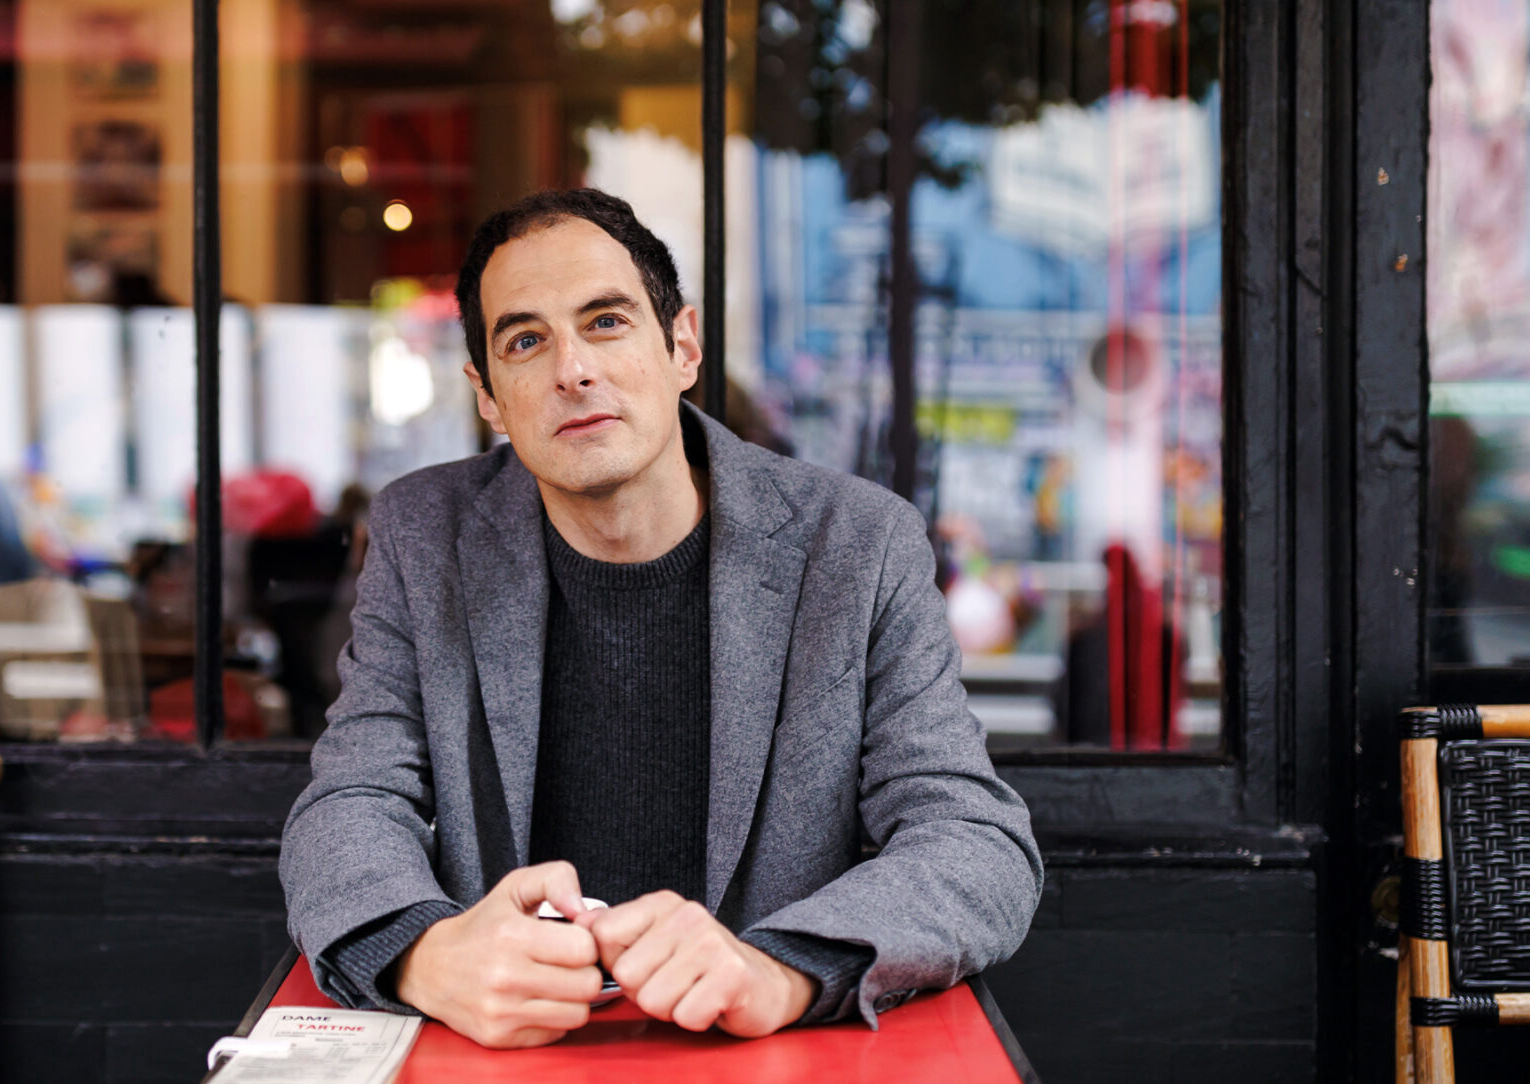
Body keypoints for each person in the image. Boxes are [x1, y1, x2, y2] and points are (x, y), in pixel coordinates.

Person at [279, 188, 1041, 1048]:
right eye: (526, 341)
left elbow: (973, 840)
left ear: (681, 346)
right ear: (487, 395)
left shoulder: (856, 544)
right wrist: (426, 953)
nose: (572, 370)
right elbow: (350, 798)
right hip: (516, 1054)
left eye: (606, 322)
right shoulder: (428, 534)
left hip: (759, 1056)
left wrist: (782, 970)